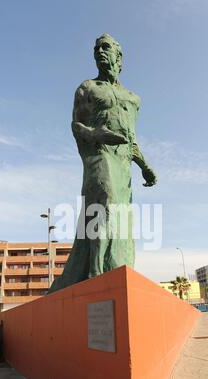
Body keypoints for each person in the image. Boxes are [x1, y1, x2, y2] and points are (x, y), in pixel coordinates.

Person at [49, 33, 157, 293]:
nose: (99, 51)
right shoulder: (87, 88)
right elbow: (76, 125)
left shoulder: (133, 98)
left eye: (106, 47)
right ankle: (96, 274)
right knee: (104, 201)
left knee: (121, 216)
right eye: (96, 48)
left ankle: (117, 269)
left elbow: (130, 139)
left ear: (119, 57)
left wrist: (144, 165)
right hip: (98, 154)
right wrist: (94, 134)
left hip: (123, 164)